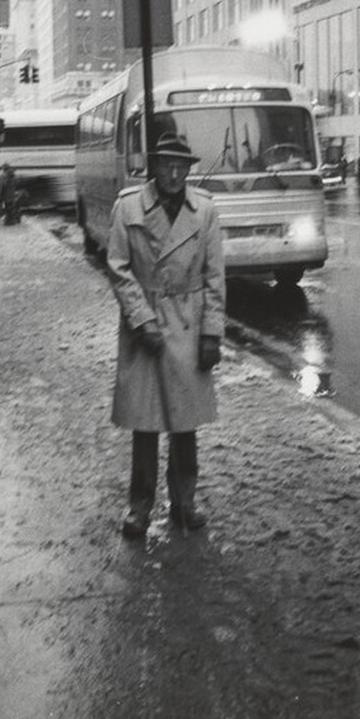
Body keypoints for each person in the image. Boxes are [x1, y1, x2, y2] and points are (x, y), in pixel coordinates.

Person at [107, 131, 226, 539]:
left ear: (189, 170)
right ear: (154, 167)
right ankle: (139, 507)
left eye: (182, 167)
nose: (175, 174)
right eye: (167, 165)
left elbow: (214, 277)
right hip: (145, 323)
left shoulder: (205, 211)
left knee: (184, 423)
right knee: (145, 423)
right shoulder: (127, 207)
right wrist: (142, 322)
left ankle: (184, 503)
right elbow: (119, 269)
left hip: (189, 324)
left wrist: (212, 333)